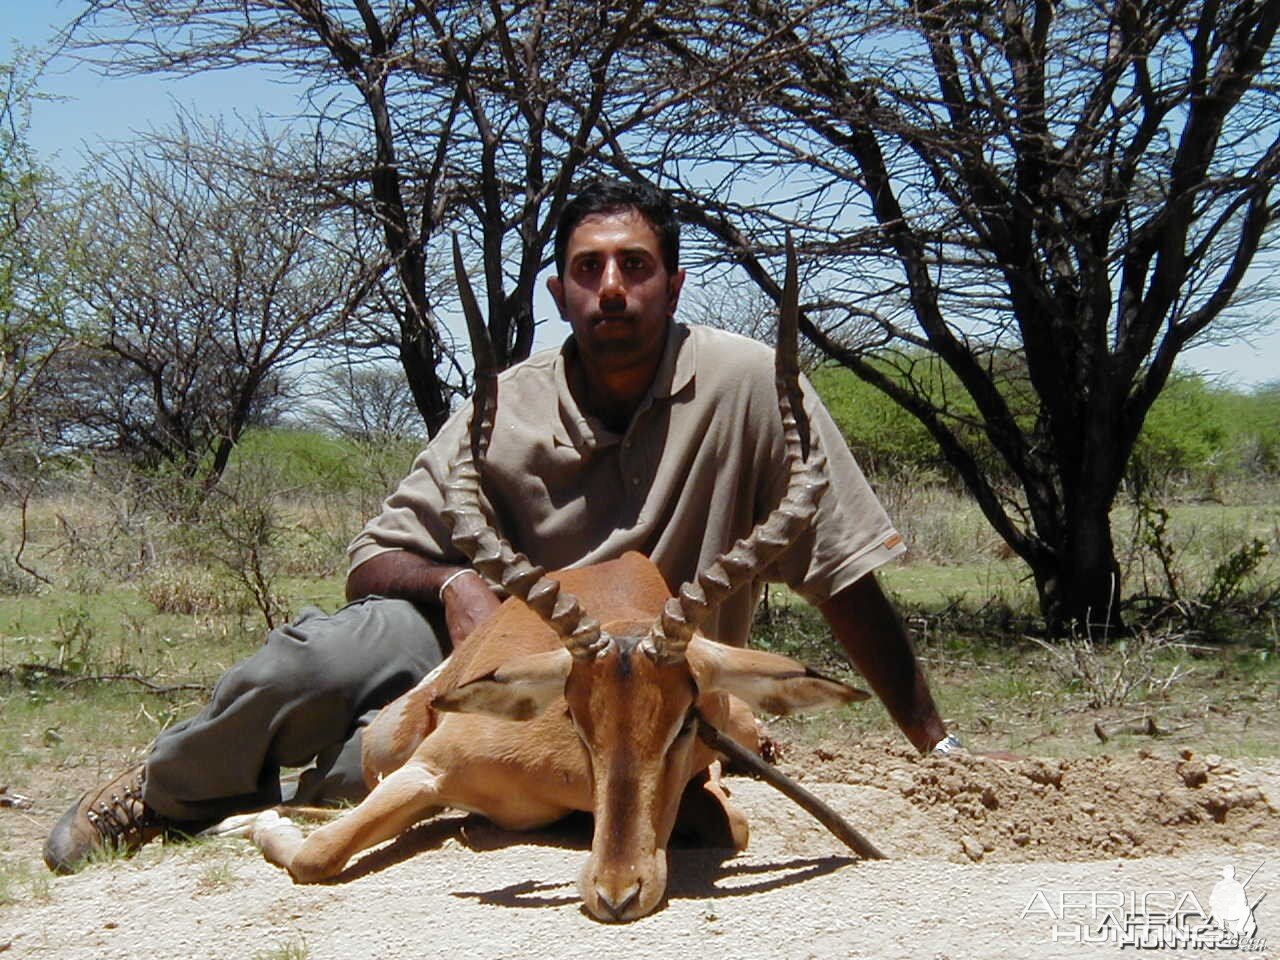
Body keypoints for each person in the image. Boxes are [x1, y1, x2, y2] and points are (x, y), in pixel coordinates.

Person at [44, 179, 955, 874]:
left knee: (398, 774)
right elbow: (371, 557)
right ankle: (162, 792)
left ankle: (313, 789)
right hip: (472, 654)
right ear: (560, 292)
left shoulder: (754, 385)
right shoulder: (508, 406)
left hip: (638, 705)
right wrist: (457, 589)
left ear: (673, 285)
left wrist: (939, 750)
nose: (611, 288)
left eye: (635, 266)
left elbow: (842, 572)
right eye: (589, 269)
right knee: (319, 660)